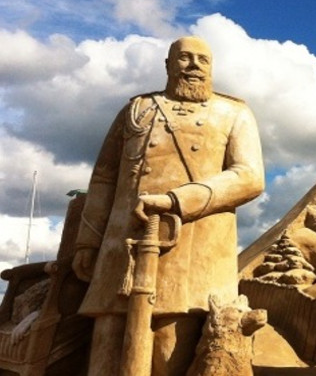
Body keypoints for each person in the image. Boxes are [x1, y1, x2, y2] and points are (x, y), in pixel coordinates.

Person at [72, 36, 264, 376]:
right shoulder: (136, 110)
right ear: (168, 64)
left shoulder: (234, 113)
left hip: (191, 253)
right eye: (185, 57)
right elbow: (103, 178)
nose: (193, 66)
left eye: (202, 60)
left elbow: (249, 177)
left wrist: (177, 201)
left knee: (167, 354)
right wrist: (88, 241)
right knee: (106, 352)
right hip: (122, 253)